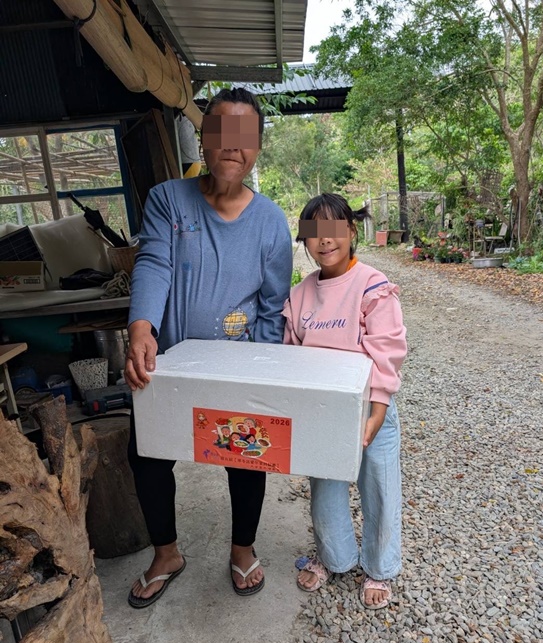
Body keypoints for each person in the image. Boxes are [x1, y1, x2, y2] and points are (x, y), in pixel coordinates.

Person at [124, 88, 293, 607]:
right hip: (167, 366)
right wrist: (141, 328)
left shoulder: (271, 222)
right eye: (221, 133)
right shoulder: (168, 200)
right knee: (147, 456)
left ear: (257, 147)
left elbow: (272, 307)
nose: (232, 146)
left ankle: (242, 549)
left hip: (236, 369)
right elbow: (154, 263)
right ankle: (166, 554)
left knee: (247, 458)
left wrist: (262, 372)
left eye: (245, 137)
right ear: (204, 139)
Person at [283, 193, 407, 609]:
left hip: (371, 408)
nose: (324, 240)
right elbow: (291, 354)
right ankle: (334, 557)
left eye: (333, 229)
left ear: (351, 231)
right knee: (326, 489)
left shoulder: (372, 285)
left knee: (379, 487)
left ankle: (379, 567)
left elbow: (387, 351)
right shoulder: (300, 295)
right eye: (313, 232)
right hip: (323, 413)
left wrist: (378, 409)